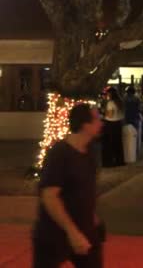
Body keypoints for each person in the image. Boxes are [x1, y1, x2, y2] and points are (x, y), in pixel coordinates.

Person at [32, 103, 105, 267]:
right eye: (97, 119)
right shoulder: (60, 154)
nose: (101, 123)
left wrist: (93, 219)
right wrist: (72, 232)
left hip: (84, 229)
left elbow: (85, 190)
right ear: (85, 125)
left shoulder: (90, 151)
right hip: (54, 232)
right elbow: (50, 196)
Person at [102, 87, 124, 167]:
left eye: (108, 93)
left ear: (110, 94)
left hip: (110, 124)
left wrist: (104, 113)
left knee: (109, 144)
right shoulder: (120, 102)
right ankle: (119, 160)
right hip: (118, 124)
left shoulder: (110, 103)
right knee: (118, 143)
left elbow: (110, 115)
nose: (107, 95)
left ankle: (110, 162)